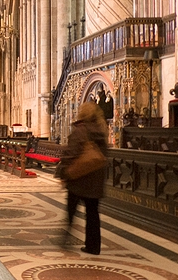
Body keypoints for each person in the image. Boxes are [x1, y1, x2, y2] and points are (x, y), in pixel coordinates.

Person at [57, 101, 108, 255]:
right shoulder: (101, 130)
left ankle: (65, 239)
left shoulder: (80, 131)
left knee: (71, 211)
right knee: (93, 213)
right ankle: (94, 247)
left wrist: (63, 173)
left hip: (79, 179)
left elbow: (71, 154)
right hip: (96, 179)